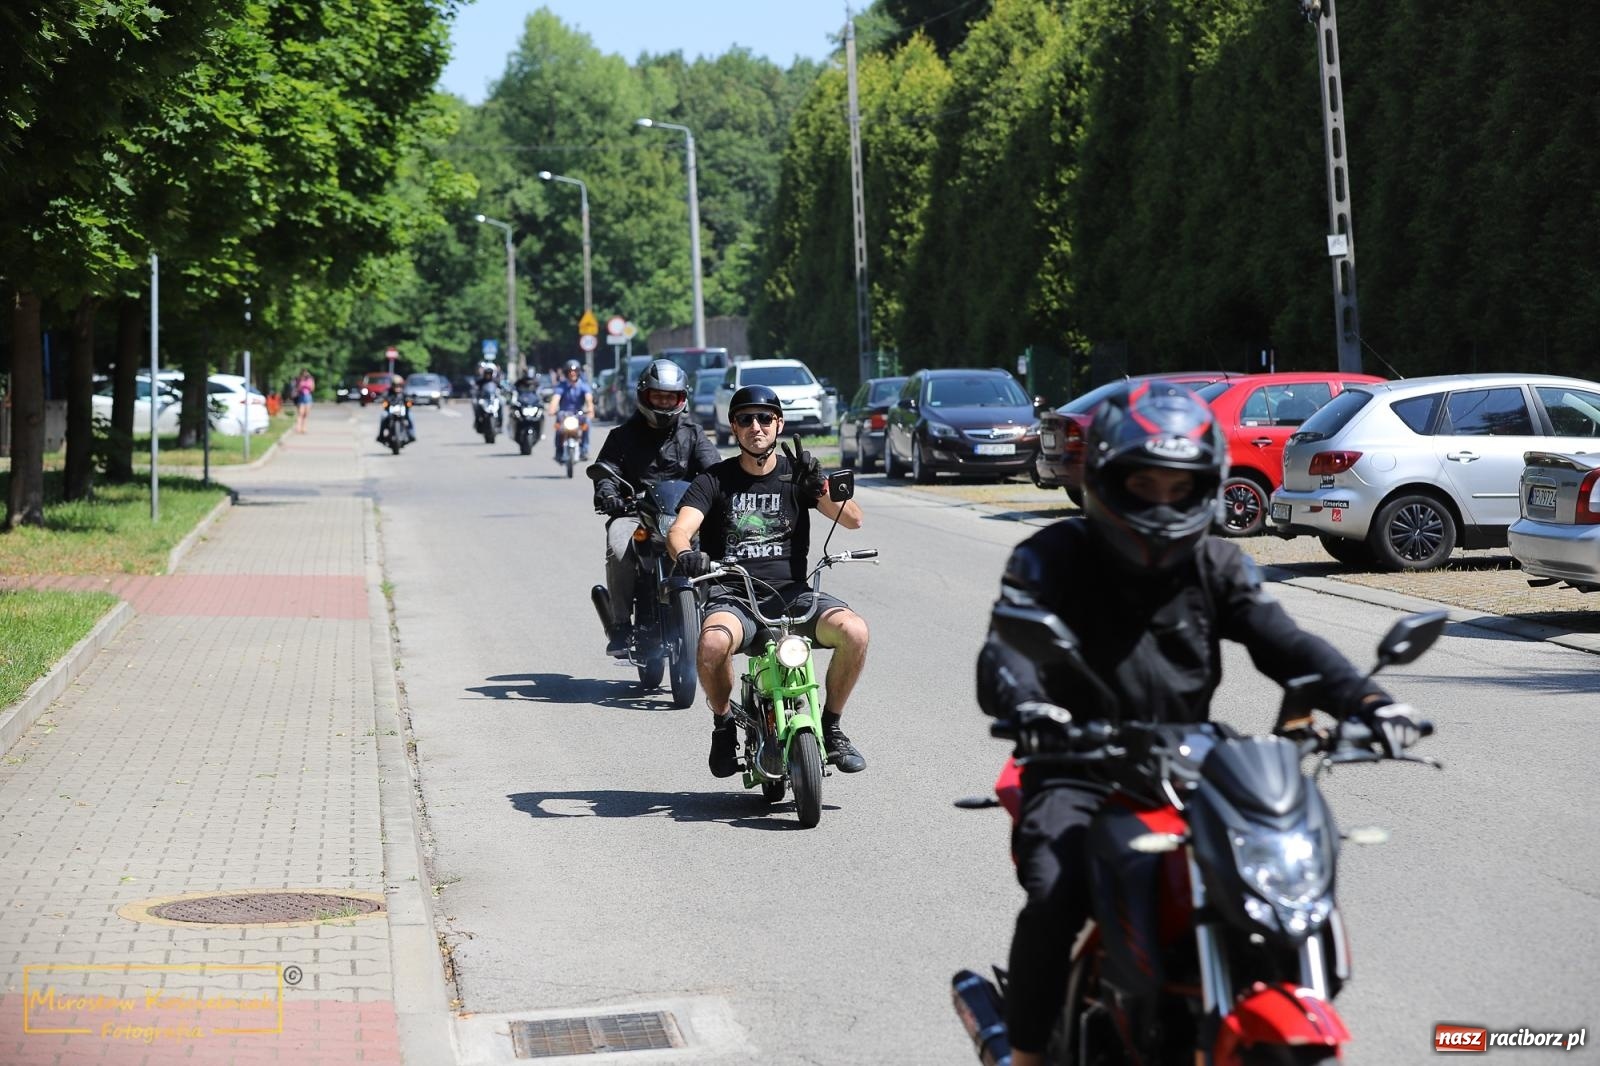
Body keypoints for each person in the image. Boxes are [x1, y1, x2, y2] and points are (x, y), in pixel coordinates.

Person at [974, 381, 1425, 1065]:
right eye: (1142, 482)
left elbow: (1284, 641)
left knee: (1273, 878)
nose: (1160, 501)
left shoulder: (1215, 562)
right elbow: (1007, 650)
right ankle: (1028, 1053)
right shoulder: (1052, 555)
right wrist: (1028, 705)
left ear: (1204, 487)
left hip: (1193, 763)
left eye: (1177, 486)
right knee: (1058, 890)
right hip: (1076, 763)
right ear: (1104, 478)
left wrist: (1369, 702)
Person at [667, 384, 872, 777]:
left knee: (856, 632)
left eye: (764, 418)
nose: (755, 427)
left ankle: (831, 727)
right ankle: (724, 724)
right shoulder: (714, 480)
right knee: (711, 644)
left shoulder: (799, 475)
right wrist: (686, 553)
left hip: (795, 595)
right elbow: (680, 530)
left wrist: (821, 488)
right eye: (746, 419)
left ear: (779, 423)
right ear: (733, 427)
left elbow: (853, 519)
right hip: (734, 597)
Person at [591, 359, 721, 656]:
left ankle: (717, 613)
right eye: (658, 396)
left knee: (718, 545)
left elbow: (714, 471)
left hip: (684, 513)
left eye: (669, 396)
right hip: (634, 512)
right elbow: (606, 472)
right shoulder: (621, 436)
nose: (663, 402)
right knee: (619, 547)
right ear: (644, 395)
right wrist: (609, 494)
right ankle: (622, 626)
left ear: (681, 398)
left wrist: (721, 493)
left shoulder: (693, 434)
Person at [547, 358, 596, 461]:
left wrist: (590, 410)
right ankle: (559, 451)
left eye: (575, 371)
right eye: (570, 371)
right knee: (558, 428)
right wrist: (552, 409)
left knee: (587, 424)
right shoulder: (562, 386)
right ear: (566, 373)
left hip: (579, 415)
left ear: (578, 372)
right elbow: (555, 399)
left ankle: (584, 450)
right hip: (564, 414)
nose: (572, 373)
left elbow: (589, 399)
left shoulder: (584, 386)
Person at [376, 375, 416, 444]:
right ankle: (381, 435)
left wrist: (411, 400)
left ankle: (412, 434)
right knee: (383, 415)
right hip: (390, 412)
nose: (397, 387)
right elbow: (383, 396)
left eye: (399, 385)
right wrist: (381, 399)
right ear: (392, 385)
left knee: (411, 416)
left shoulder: (404, 392)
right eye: (395, 385)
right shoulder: (388, 392)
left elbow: (409, 398)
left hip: (403, 411)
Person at [293, 369, 314, 433]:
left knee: (306, 414)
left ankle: (304, 428)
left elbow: (312, 388)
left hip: (308, 397)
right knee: (300, 413)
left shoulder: (310, 380)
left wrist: (307, 386)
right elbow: (297, 388)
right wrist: (301, 382)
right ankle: (298, 427)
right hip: (301, 396)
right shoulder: (299, 380)